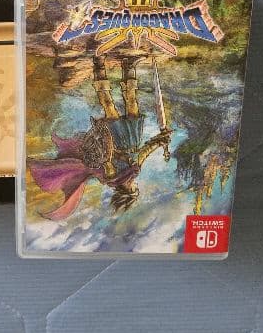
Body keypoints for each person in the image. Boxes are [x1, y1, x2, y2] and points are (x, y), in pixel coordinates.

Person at [28, 55, 171, 219]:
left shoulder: (112, 176)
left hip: (116, 138)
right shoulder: (134, 171)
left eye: (134, 190)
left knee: (109, 105)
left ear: (127, 191)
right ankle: (129, 65)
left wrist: (106, 132)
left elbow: (107, 156)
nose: (136, 186)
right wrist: (161, 141)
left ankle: (99, 65)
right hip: (133, 137)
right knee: (132, 102)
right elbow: (144, 152)